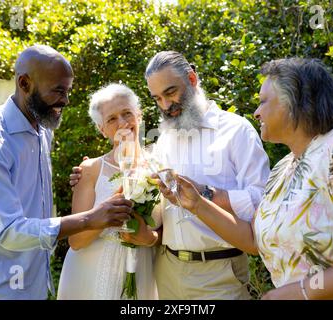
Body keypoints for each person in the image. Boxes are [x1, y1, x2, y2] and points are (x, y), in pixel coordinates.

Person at [165, 58, 333, 299]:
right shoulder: (283, 169)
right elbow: (253, 240)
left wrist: (302, 292)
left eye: (263, 101)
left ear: (295, 101)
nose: (257, 112)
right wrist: (197, 204)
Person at [71, 51, 271, 299]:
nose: (166, 106)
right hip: (164, 273)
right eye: (157, 98)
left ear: (192, 79)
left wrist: (206, 194)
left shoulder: (237, 131)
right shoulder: (165, 138)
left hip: (219, 273)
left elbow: (262, 202)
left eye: (170, 92)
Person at [0, 45, 132, 300]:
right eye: (58, 90)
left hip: (35, 285)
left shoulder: (42, 128)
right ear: (25, 83)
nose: (66, 100)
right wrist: (89, 219)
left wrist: (81, 178)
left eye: (68, 90)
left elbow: (28, 192)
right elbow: (10, 230)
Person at [57, 83, 160, 300]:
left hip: (142, 273)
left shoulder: (160, 168)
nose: (122, 123)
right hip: (90, 274)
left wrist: (147, 237)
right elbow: (76, 242)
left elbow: (166, 234)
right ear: (101, 129)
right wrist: (107, 214)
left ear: (139, 115)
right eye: (111, 119)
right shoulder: (90, 170)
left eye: (127, 113)